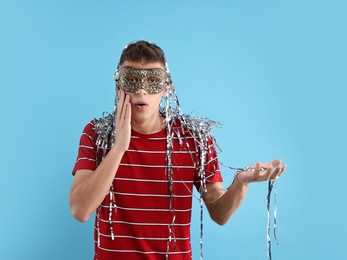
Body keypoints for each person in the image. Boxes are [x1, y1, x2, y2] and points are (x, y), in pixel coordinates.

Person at [69, 40, 286, 260]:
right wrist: (118, 148)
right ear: (119, 86)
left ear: (167, 87)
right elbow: (80, 210)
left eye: (153, 80)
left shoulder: (194, 139)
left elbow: (219, 214)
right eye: (132, 80)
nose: (142, 90)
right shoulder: (97, 134)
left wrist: (241, 182)